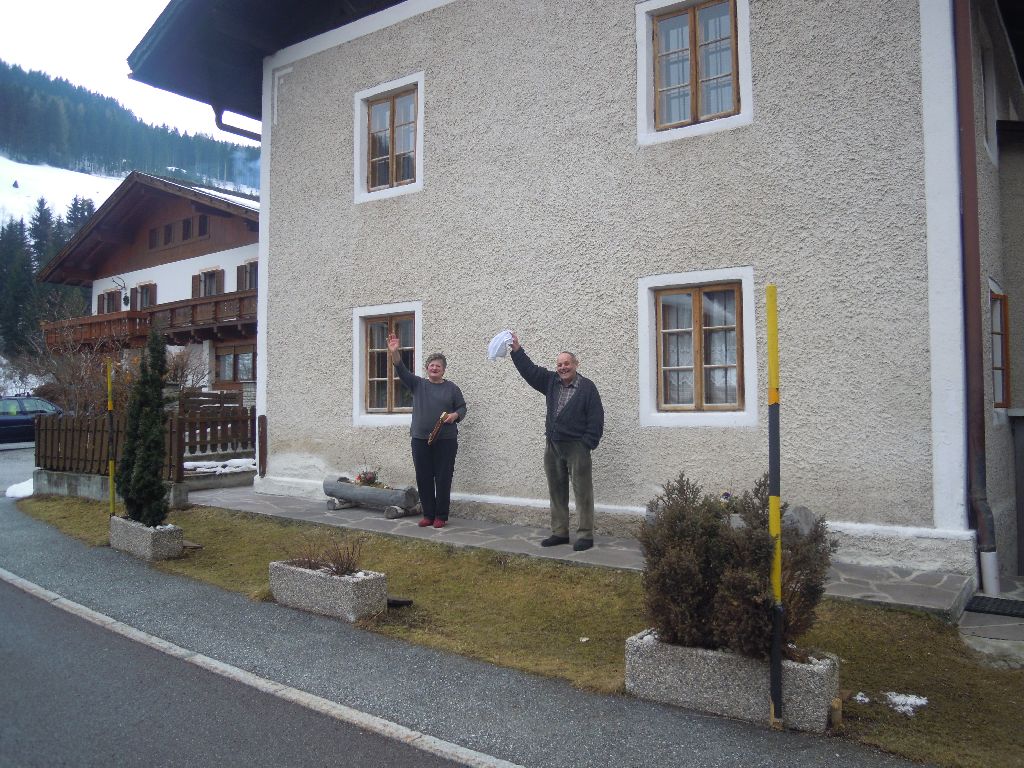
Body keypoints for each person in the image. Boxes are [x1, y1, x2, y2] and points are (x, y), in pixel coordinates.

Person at [509, 333, 604, 551]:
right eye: (559, 364)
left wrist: (587, 444)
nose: (563, 367)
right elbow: (530, 371)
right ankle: (560, 532)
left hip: (577, 447)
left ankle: (585, 535)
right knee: (556, 491)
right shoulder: (551, 381)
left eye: (567, 363)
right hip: (553, 446)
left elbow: (596, 418)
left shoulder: (588, 388)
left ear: (576, 364)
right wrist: (517, 351)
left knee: (583, 493)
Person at [388, 333, 467, 528]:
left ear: (443, 370)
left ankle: (441, 516)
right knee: (423, 477)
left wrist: (454, 416)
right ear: (427, 368)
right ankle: (428, 515)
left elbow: (462, 408)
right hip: (420, 439)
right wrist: (395, 352)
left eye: (438, 366)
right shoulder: (418, 384)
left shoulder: (452, 388)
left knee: (443, 478)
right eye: (432, 365)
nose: (434, 368)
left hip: (446, 440)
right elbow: (401, 369)